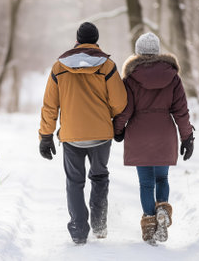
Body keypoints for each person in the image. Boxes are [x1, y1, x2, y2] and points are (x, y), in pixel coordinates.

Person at [38, 22, 127, 245]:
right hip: (100, 135)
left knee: (74, 182)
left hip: (72, 137)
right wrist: (111, 118)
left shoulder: (59, 67)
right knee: (99, 177)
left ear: (77, 40)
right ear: (96, 40)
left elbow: (50, 106)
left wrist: (46, 136)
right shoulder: (107, 66)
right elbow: (120, 102)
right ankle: (99, 225)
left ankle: (78, 230)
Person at [113, 32, 194, 245]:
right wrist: (187, 137)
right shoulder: (173, 77)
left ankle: (149, 225)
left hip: (139, 134)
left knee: (146, 183)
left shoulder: (130, 78)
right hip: (164, 134)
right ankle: (163, 210)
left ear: (138, 52)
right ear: (157, 51)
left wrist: (118, 129)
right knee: (162, 179)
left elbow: (125, 110)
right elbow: (181, 111)